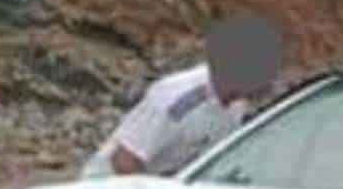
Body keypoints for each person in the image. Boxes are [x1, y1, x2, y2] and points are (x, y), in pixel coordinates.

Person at [81, 13, 283, 178]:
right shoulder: (176, 99)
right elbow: (124, 160)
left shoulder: (235, 107)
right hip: (111, 187)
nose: (270, 82)